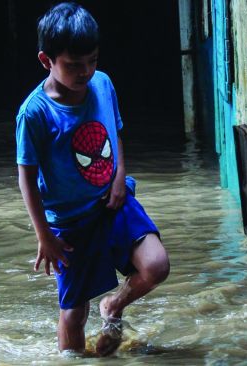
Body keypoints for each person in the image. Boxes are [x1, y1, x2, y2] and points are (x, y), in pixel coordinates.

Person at [15, 2, 170, 357]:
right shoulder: (35, 113)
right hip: (70, 221)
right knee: (74, 311)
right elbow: (26, 177)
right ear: (46, 61)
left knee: (156, 265)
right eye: (73, 65)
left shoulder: (103, 83)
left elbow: (114, 131)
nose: (85, 72)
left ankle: (114, 306)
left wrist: (120, 175)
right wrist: (45, 236)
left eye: (92, 61)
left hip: (113, 203)